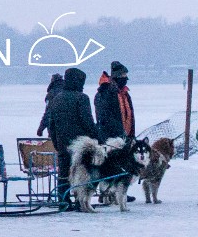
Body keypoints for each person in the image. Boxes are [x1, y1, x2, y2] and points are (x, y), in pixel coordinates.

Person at [44, 66, 101, 209]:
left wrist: (56, 142)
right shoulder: (82, 98)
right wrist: (97, 137)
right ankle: (80, 200)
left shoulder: (56, 98)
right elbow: (87, 122)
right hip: (80, 146)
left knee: (63, 173)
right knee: (80, 173)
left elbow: (51, 123)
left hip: (62, 143)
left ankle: (63, 200)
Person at [93, 62, 136, 140]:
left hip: (126, 137)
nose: (126, 78)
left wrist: (131, 135)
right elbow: (104, 118)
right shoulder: (104, 93)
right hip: (111, 140)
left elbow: (130, 116)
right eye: (123, 75)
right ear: (117, 76)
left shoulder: (125, 94)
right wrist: (118, 134)